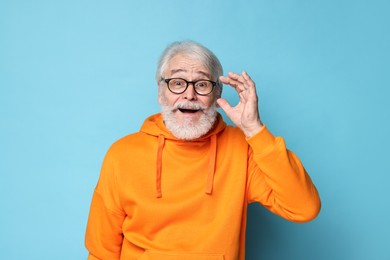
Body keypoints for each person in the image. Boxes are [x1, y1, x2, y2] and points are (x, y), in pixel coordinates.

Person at [85, 40, 321, 260]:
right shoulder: (122, 154)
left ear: (217, 93)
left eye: (202, 84)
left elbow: (304, 208)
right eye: (177, 83)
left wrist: (254, 129)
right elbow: (101, 251)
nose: (189, 94)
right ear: (160, 92)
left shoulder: (243, 148)